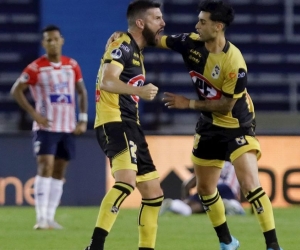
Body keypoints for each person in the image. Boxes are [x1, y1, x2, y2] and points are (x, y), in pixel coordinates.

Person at [158, 1, 283, 249]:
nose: (197, 25)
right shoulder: (190, 43)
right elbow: (155, 40)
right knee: (205, 188)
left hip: (237, 124)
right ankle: (227, 242)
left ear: (217, 26)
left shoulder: (234, 62)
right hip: (209, 126)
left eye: (202, 21)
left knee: (249, 185)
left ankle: (273, 245)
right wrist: (132, 34)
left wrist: (188, 104)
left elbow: (226, 106)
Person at [84, 1, 165, 250]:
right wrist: (138, 89)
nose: (162, 23)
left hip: (131, 124)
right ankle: (95, 246)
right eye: (157, 19)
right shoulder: (123, 45)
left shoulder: (134, 49)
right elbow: (108, 81)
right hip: (114, 120)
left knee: (153, 194)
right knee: (126, 181)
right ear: (141, 23)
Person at [10, 25, 88, 230]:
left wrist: (83, 119)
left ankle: (50, 218)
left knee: (59, 171)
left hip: (67, 127)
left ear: (61, 40)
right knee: (45, 166)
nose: (52, 43)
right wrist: (34, 114)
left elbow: (82, 92)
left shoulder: (71, 65)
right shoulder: (36, 68)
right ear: (43, 43)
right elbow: (16, 90)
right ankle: (41, 218)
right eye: (48, 40)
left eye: (55, 39)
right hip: (46, 127)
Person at [159, 161, 245, 216]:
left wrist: (188, 199)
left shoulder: (210, 163)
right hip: (226, 189)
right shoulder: (238, 164)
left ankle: (173, 204)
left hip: (208, 188)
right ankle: (229, 204)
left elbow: (187, 185)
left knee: (191, 208)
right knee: (236, 207)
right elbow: (246, 185)